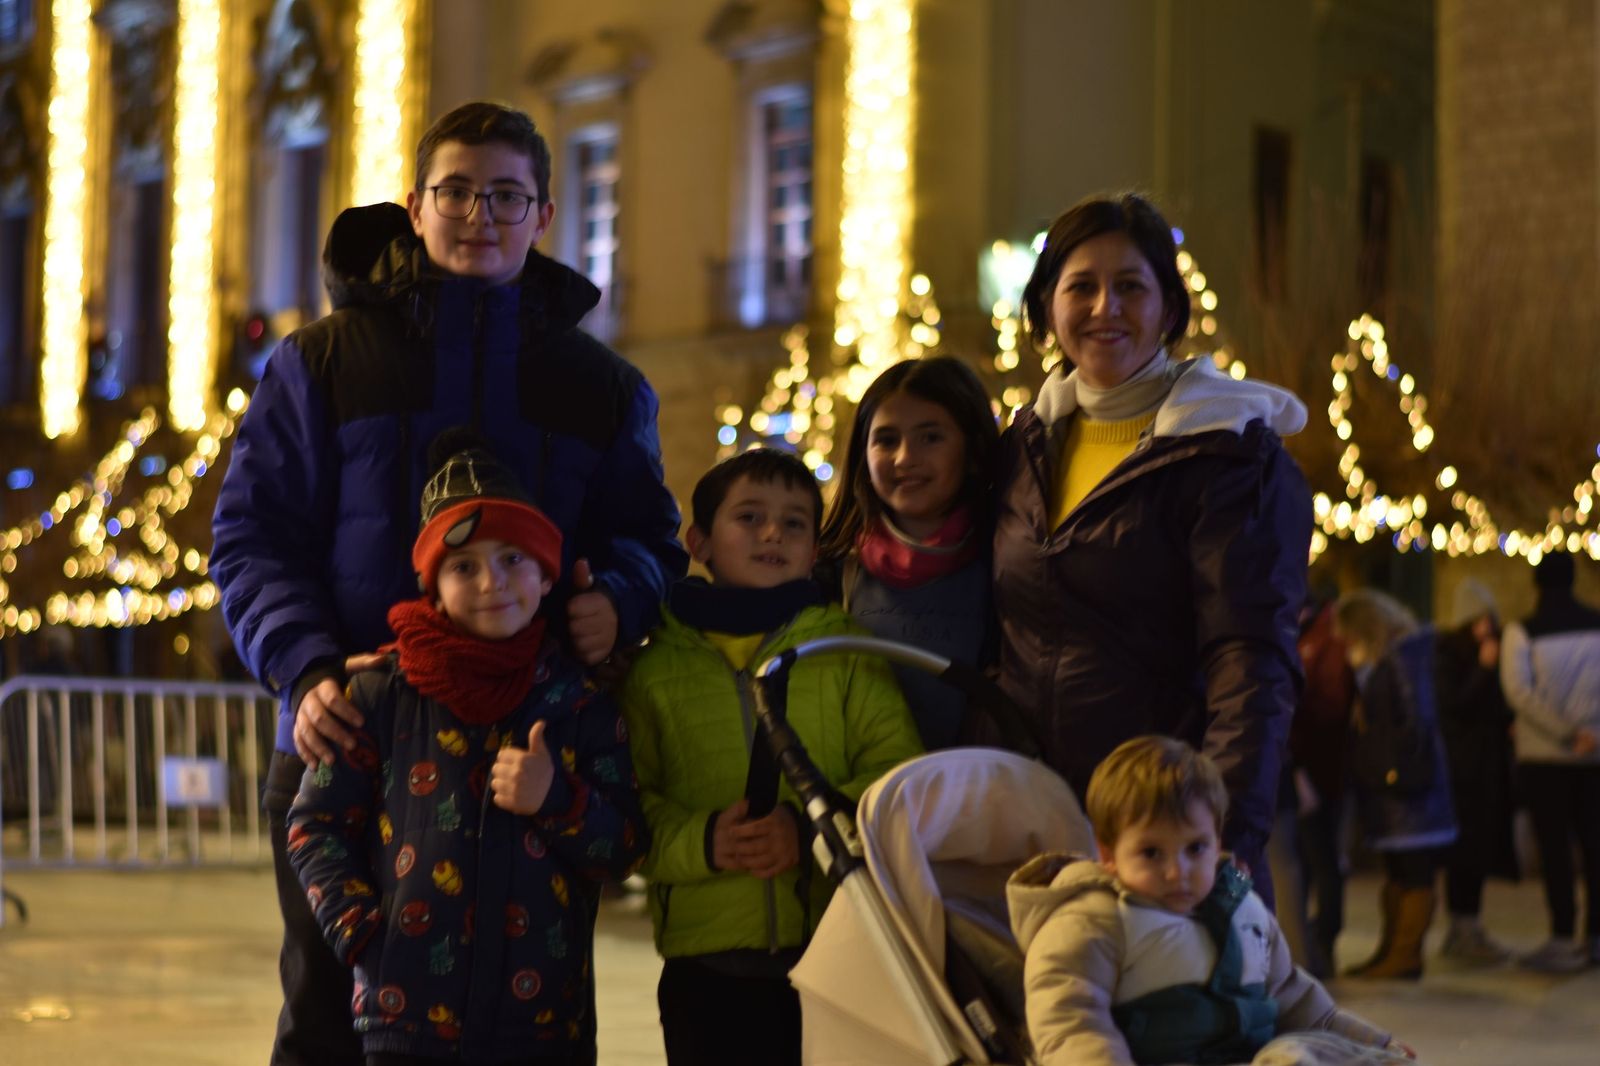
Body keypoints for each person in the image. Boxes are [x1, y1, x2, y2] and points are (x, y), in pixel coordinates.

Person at [211, 101, 686, 1065]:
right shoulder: (322, 362)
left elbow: (650, 539)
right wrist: (304, 672)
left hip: (532, 760)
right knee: (326, 1023)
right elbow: (251, 535)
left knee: (526, 1028)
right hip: (347, 738)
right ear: (416, 205)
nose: (481, 214)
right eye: (457, 191)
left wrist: (621, 597)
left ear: (544, 214)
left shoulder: (601, 387)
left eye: (506, 194)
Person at [286, 433, 648, 1065]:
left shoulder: (580, 703)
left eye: (513, 558)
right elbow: (314, 824)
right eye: (463, 566)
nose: (491, 583)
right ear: (433, 584)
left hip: (541, 1027)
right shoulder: (379, 693)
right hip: (408, 1024)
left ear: (544, 574)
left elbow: (624, 846)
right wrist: (362, 933)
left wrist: (556, 800)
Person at [992, 192, 1311, 905]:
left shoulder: (1228, 454)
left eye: (1130, 287)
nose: (1105, 307)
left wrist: (1218, 843)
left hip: (1162, 841)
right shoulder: (1022, 448)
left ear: (1169, 309)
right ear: (1047, 308)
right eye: (1081, 287)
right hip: (1038, 825)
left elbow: (1250, 660)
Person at [619, 448, 924, 1066]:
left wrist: (807, 829)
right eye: (749, 517)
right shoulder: (655, 668)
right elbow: (626, 804)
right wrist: (704, 842)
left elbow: (900, 777)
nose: (772, 534)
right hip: (705, 966)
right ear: (700, 542)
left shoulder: (842, 649)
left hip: (833, 947)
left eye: (794, 523)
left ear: (815, 550)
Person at [1007, 735, 1414, 1066]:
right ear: (1109, 854)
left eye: (1196, 848)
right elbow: (1071, 1021)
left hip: (1254, 1056)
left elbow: (1297, 997)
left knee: (1299, 1052)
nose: (1177, 870)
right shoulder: (1092, 921)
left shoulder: (1241, 906)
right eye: (1152, 853)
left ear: (1218, 840)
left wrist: (1374, 1042)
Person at [815, 356, 1000, 750]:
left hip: (975, 793)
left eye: (930, 437)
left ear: (971, 449)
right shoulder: (828, 573)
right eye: (886, 439)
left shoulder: (1007, 563)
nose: (904, 458)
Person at [1334, 590, 1456, 981]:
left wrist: (1390, 768)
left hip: (1409, 790)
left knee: (1413, 871)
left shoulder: (1402, 658)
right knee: (1399, 872)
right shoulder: (1399, 656)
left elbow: (1412, 723)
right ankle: (1392, 951)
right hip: (1401, 787)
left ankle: (1405, 956)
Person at [1499, 551, 1600, 972]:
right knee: (1595, 847)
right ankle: (1595, 937)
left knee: (1555, 848)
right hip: (1595, 753)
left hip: (1544, 756)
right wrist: (1587, 731)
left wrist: (1562, 732)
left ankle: (1561, 935)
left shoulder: (1522, 631)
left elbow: (1519, 693)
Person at [1433, 579, 1517, 966]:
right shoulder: (1450, 655)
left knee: (1480, 848)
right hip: (1462, 769)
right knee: (1464, 851)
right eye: (1481, 619)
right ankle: (1461, 928)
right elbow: (1456, 706)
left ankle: (1470, 925)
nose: (1488, 626)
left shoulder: (1493, 651)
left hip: (1487, 768)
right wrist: (1483, 669)